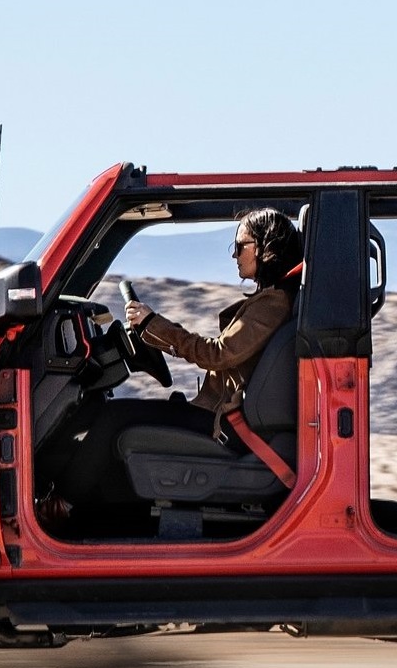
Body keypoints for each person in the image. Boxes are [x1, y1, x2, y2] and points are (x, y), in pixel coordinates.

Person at [36, 208, 304, 529]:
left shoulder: (272, 304)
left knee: (113, 417)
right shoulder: (271, 300)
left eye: (241, 245)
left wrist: (155, 325)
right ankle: (87, 518)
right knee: (110, 422)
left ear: (267, 247)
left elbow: (217, 354)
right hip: (221, 417)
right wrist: (154, 330)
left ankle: (58, 505)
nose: (235, 255)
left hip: (224, 427)